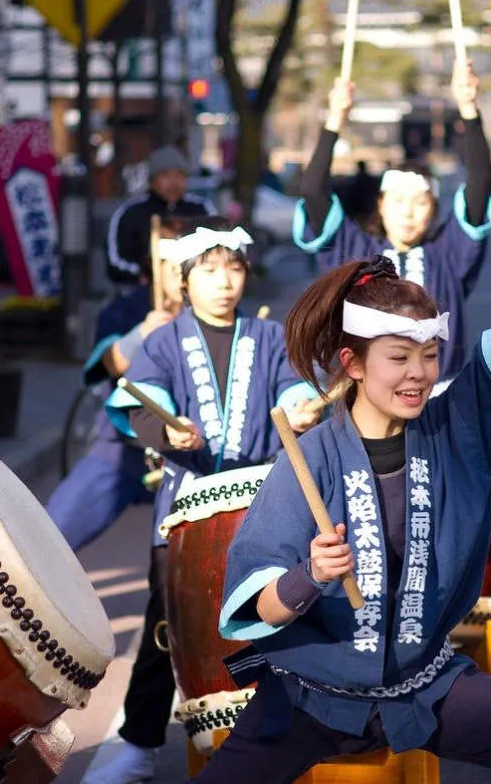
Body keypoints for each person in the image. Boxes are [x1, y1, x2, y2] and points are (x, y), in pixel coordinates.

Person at [191, 158, 491, 784]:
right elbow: (259, 606)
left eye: (430, 356)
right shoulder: (311, 457)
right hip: (309, 691)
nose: (418, 373)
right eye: (399, 357)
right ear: (352, 364)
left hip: (424, 684)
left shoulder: (453, 431)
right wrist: (309, 577)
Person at [82, 221, 321, 784]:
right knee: (169, 626)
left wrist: (302, 408)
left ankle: (290, 731)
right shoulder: (162, 342)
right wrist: (170, 434)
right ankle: (140, 747)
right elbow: (141, 406)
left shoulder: (267, 338)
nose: (224, 282)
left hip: (266, 505)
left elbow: (294, 389)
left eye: (233, 269)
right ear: (185, 283)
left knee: (283, 619)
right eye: (209, 271)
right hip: (186, 507)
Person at [294, 59, 491, 381]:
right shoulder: (355, 252)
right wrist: (335, 119)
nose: (408, 211)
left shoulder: (448, 254)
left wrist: (469, 108)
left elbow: (481, 180)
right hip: (370, 402)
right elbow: (312, 189)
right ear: (381, 205)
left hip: (441, 401)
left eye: (420, 202)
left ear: (433, 208)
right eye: (398, 201)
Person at [45, 219, 186, 552]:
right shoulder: (126, 309)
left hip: (188, 459)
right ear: (156, 266)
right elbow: (110, 361)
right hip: (124, 450)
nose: (181, 274)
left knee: (177, 572)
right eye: (173, 265)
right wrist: (142, 334)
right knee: (48, 537)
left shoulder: (215, 316)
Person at [106, 146, 216, 286]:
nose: (173, 182)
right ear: (152, 180)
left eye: (179, 175)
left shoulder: (201, 209)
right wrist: (147, 275)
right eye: (166, 175)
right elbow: (116, 261)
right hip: (142, 291)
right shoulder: (132, 212)